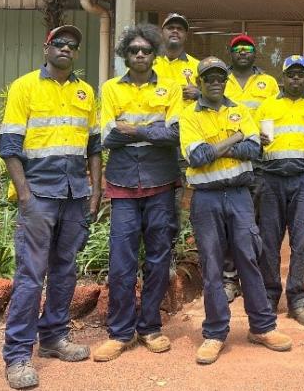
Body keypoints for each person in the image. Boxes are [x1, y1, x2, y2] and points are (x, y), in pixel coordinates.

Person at [0, 25, 102, 389]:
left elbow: (94, 146)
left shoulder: (85, 92)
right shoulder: (24, 87)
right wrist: (25, 195)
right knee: (30, 275)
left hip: (74, 195)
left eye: (72, 45)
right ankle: (17, 355)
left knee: (64, 271)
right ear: (47, 48)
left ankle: (54, 337)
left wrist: (95, 190)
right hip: (39, 195)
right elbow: (9, 146)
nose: (66, 48)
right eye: (59, 43)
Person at [180, 57, 292, 364]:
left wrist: (218, 148)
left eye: (220, 77)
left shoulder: (240, 110)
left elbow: (254, 149)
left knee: (249, 259)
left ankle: (262, 327)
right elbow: (198, 157)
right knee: (212, 266)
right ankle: (215, 333)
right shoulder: (188, 115)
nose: (215, 82)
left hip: (240, 195)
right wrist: (235, 137)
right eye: (209, 78)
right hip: (206, 198)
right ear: (200, 82)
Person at [92, 24, 182, 362]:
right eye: (134, 50)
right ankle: (120, 332)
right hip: (123, 183)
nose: (140, 55)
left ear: (154, 54)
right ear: (125, 55)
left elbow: (174, 134)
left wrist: (134, 130)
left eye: (146, 50)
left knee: (159, 259)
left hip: (161, 182)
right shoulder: (111, 89)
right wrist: (152, 131)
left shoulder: (171, 89)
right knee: (121, 262)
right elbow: (109, 137)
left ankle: (150, 327)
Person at [255, 55, 304, 326]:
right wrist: (257, 142)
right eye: (291, 74)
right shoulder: (266, 106)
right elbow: (254, 145)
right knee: (268, 242)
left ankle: (297, 299)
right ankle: (269, 295)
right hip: (271, 179)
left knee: (301, 242)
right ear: (283, 77)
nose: (295, 79)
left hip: (303, 180)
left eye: (300, 74)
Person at [222, 32, 280, 301]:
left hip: (259, 162)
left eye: (247, 48)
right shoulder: (220, 79)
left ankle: (252, 277)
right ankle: (229, 278)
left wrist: (270, 138)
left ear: (255, 53)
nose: (242, 52)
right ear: (231, 54)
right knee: (230, 221)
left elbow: (275, 114)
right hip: (228, 160)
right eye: (237, 49)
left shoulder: (268, 82)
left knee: (256, 222)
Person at [152, 12, 200, 111]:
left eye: (180, 29)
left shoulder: (198, 66)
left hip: (185, 120)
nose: (175, 31)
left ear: (186, 36)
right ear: (161, 34)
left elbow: (215, 98)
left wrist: (199, 94)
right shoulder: (148, 63)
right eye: (170, 28)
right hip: (154, 119)